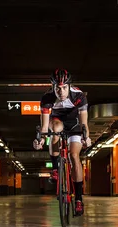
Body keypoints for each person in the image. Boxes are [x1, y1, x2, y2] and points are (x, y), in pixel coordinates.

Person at [33, 69, 91, 216]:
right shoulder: (47, 98)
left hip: (74, 124)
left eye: (64, 87)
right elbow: (45, 127)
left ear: (69, 86)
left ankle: (78, 199)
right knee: (55, 130)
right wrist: (40, 139)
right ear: (53, 87)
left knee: (74, 156)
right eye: (57, 88)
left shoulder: (78, 96)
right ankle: (55, 168)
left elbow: (84, 124)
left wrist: (86, 137)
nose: (61, 91)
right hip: (57, 121)